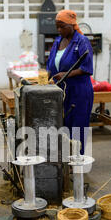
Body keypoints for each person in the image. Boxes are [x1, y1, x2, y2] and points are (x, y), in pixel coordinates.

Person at [47, 10, 94, 155]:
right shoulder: (57, 41)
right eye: (57, 27)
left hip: (79, 91)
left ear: (71, 25)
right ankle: (66, 160)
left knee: (77, 126)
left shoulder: (81, 41)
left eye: (62, 26)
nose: (59, 30)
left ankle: (77, 160)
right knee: (63, 125)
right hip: (62, 91)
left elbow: (87, 68)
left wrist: (66, 75)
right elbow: (51, 62)